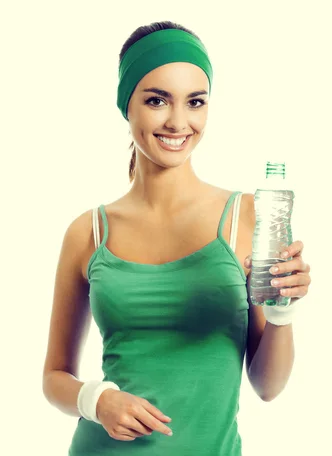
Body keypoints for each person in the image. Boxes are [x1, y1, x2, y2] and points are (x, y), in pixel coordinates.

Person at [42, 20, 311, 455]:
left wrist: (282, 311)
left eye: (196, 101)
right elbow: (54, 376)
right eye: (156, 100)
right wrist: (96, 400)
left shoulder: (247, 218)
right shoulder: (88, 232)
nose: (178, 122)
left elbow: (268, 386)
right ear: (126, 105)